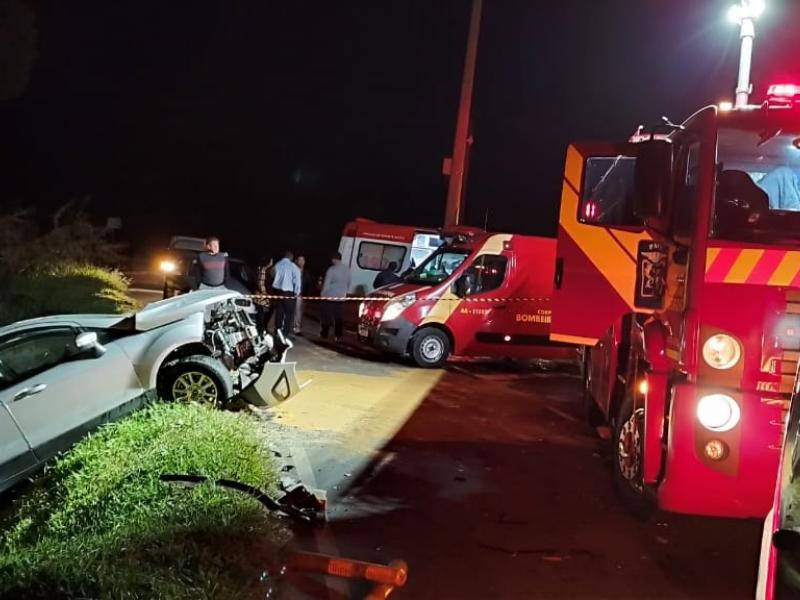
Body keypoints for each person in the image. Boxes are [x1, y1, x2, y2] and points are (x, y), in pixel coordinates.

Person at [320, 251, 351, 342]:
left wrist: (322, 295)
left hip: (330, 297)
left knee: (326, 315)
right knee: (339, 317)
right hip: (341, 297)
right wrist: (344, 292)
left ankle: (324, 333)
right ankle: (338, 335)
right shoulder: (347, 269)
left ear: (333, 259)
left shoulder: (331, 270)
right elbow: (349, 282)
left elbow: (326, 284)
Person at [271, 250, 301, 336]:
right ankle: (285, 333)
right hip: (289, 293)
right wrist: (297, 292)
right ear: (291, 257)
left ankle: (277, 331)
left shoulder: (277, 264)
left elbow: (272, 275)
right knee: (289, 314)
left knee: (279, 312)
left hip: (278, 291)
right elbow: (297, 280)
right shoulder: (293, 266)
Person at [254, 256, 274, 333]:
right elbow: (261, 283)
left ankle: (262, 328)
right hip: (262, 296)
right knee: (262, 312)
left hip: (261, 295)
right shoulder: (263, 270)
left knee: (265, 311)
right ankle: (261, 329)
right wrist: (265, 293)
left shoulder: (262, 269)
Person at [293, 255, 312, 335]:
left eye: (303, 260)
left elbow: (308, 284)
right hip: (291, 294)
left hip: (301, 295)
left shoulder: (306, 273)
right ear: (296, 261)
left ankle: (297, 329)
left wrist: (306, 296)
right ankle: (288, 327)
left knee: (299, 313)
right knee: (291, 312)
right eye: (299, 260)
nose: (301, 262)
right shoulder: (293, 271)